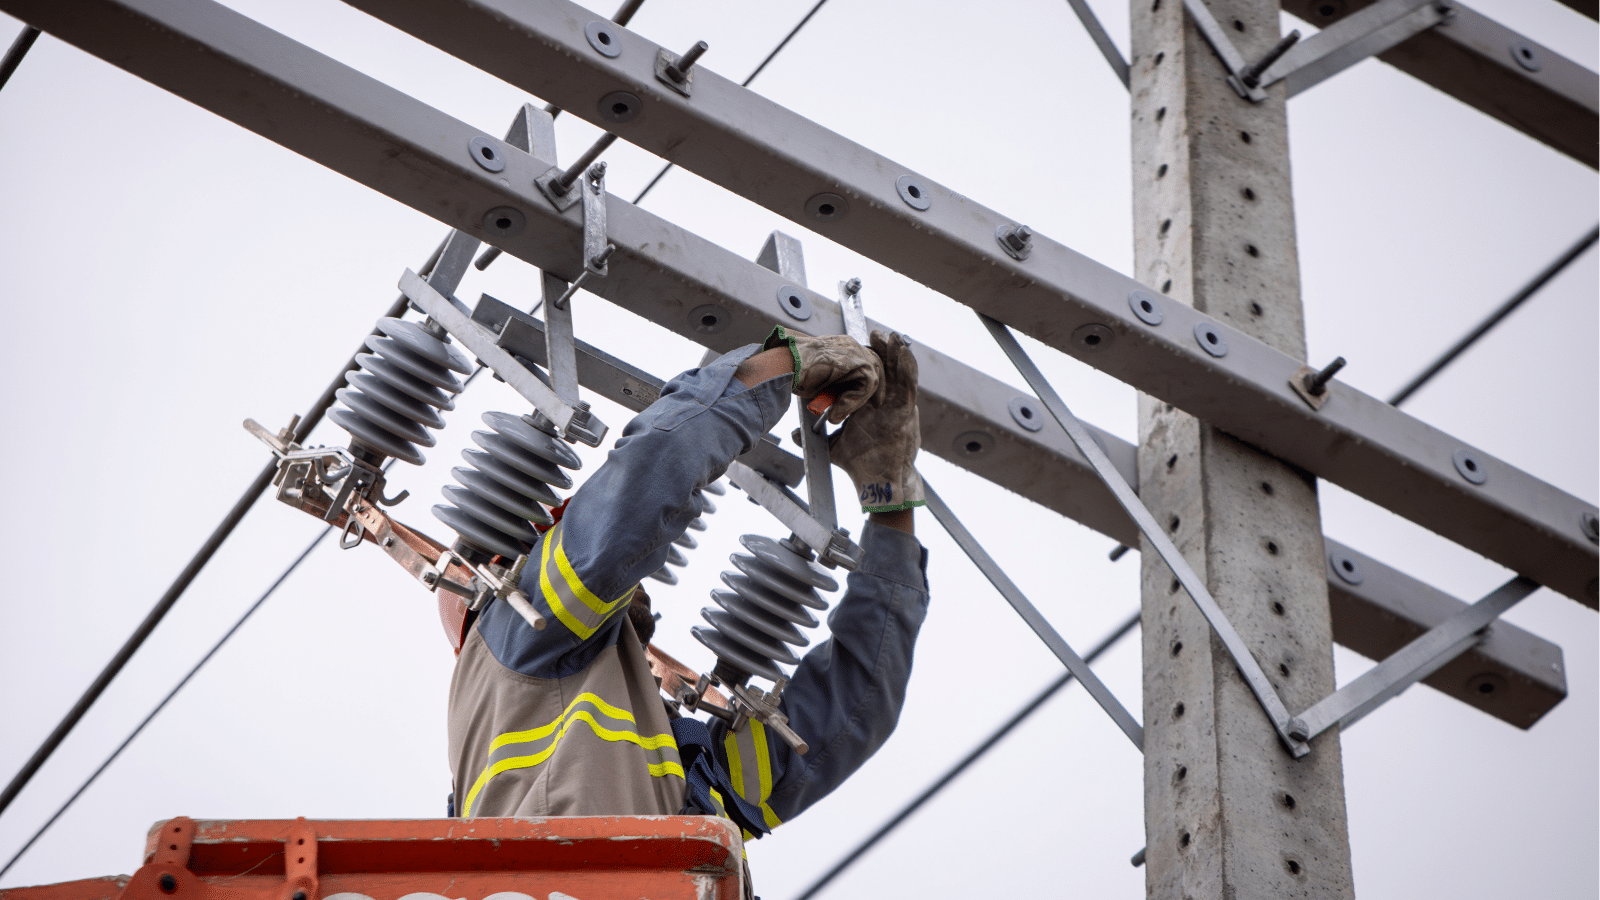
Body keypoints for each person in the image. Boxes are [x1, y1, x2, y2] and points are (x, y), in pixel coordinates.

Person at [446, 327, 930, 842]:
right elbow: (639, 495)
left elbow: (859, 702)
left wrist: (890, 498)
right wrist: (782, 366)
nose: (627, 581)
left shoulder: (678, 764)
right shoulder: (522, 623)